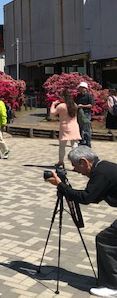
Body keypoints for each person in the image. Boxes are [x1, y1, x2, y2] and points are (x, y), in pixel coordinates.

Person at [46, 146, 117, 297]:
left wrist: (60, 185)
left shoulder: (101, 173)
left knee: (105, 240)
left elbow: (86, 198)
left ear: (84, 162)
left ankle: (112, 287)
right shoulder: (103, 168)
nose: (75, 169)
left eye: (75, 165)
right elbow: (94, 196)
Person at [49, 90, 81, 168]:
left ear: (63, 97)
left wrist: (53, 104)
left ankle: (61, 161)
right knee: (74, 146)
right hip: (75, 127)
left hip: (65, 127)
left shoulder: (61, 106)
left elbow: (52, 113)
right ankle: (76, 164)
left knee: (62, 146)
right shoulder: (74, 105)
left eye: (60, 96)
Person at [76, 82, 95, 147]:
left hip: (86, 113)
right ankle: (82, 140)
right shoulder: (78, 95)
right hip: (79, 113)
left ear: (85, 88)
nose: (80, 89)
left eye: (81, 88)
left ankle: (88, 142)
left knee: (86, 128)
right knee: (80, 127)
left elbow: (91, 105)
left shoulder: (89, 95)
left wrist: (83, 106)